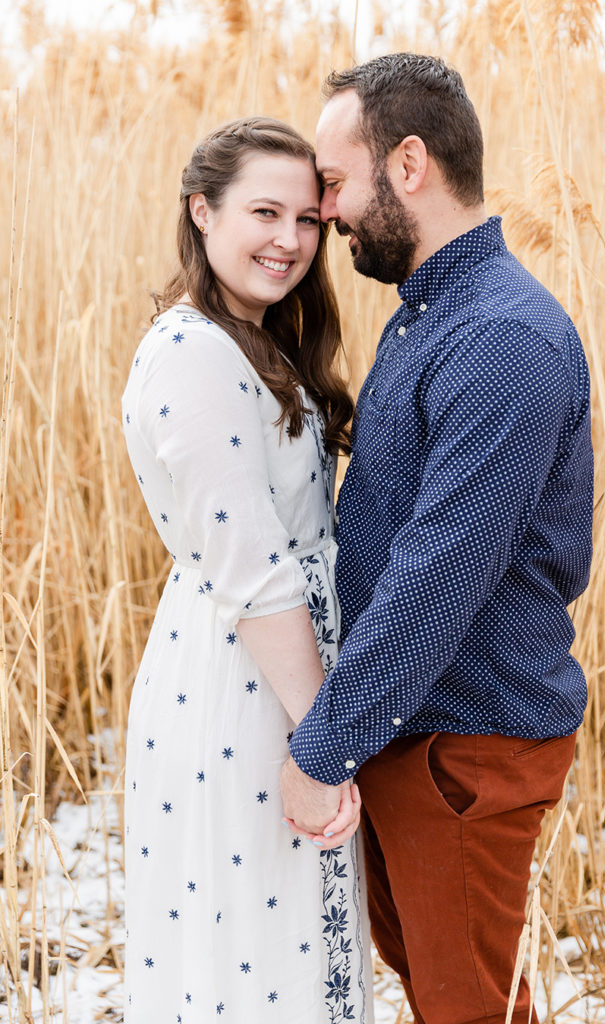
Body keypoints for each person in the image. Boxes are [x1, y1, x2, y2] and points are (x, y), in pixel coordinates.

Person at [280, 54, 594, 1024]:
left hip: (464, 739)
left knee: (466, 1007)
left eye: (334, 181)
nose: (323, 211)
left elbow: (434, 579)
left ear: (406, 163)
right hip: (413, 732)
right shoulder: (427, 318)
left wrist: (319, 746)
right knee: (453, 990)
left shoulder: (502, 338)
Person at [121, 117, 373, 1024]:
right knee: (254, 959)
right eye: (264, 212)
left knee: (290, 943)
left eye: (308, 218)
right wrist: (322, 742)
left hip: (279, 671)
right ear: (202, 209)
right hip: (243, 680)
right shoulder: (193, 355)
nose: (290, 240)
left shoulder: (253, 341)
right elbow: (257, 573)